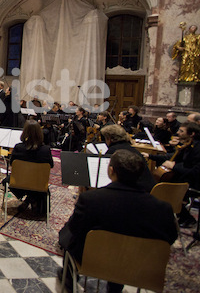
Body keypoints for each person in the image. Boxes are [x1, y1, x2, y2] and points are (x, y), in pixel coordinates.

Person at [57, 149, 178, 293]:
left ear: (111, 171)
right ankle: (115, 287)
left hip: (95, 261)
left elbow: (76, 229)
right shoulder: (163, 208)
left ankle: (70, 279)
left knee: (69, 236)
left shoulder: (91, 200)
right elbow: (170, 237)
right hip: (139, 267)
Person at [146, 121, 200, 228]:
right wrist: (150, 156)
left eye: (181, 131)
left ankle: (186, 218)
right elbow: (171, 157)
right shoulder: (188, 144)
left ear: (192, 134)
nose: (178, 133)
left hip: (193, 182)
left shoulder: (197, 148)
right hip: (183, 177)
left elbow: (196, 172)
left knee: (163, 188)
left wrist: (174, 167)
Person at [9, 120, 53, 215]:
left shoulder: (18, 147)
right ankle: (31, 198)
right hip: (38, 184)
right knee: (37, 180)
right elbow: (51, 165)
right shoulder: (46, 150)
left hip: (18, 182)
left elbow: (12, 164)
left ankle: (28, 199)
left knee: (6, 180)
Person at [101, 124, 155, 192]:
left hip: (135, 191)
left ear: (109, 139)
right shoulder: (132, 149)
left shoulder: (113, 150)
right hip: (147, 188)